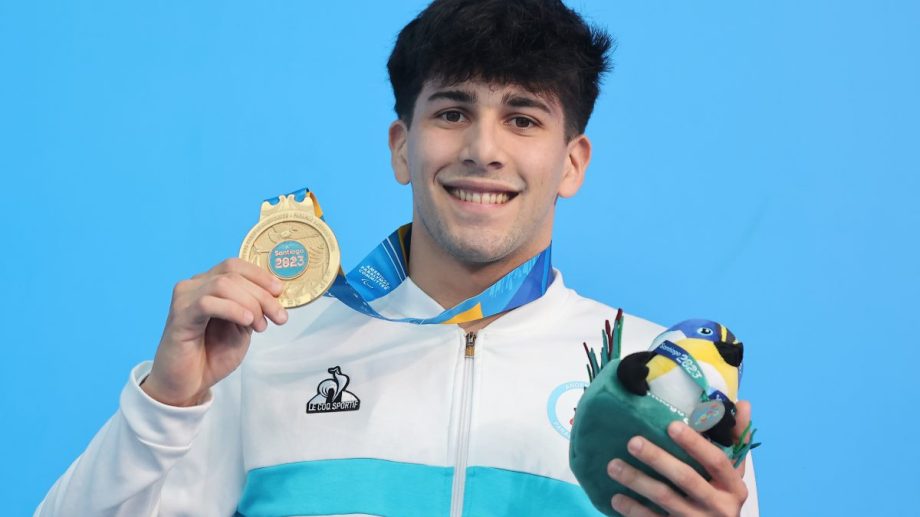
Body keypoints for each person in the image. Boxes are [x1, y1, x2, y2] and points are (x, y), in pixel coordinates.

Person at [37, 0, 759, 515]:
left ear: (572, 162)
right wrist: (165, 404)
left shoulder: (662, 382)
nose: (483, 149)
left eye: (522, 118)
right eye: (452, 112)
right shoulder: (255, 354)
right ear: (401, 148)